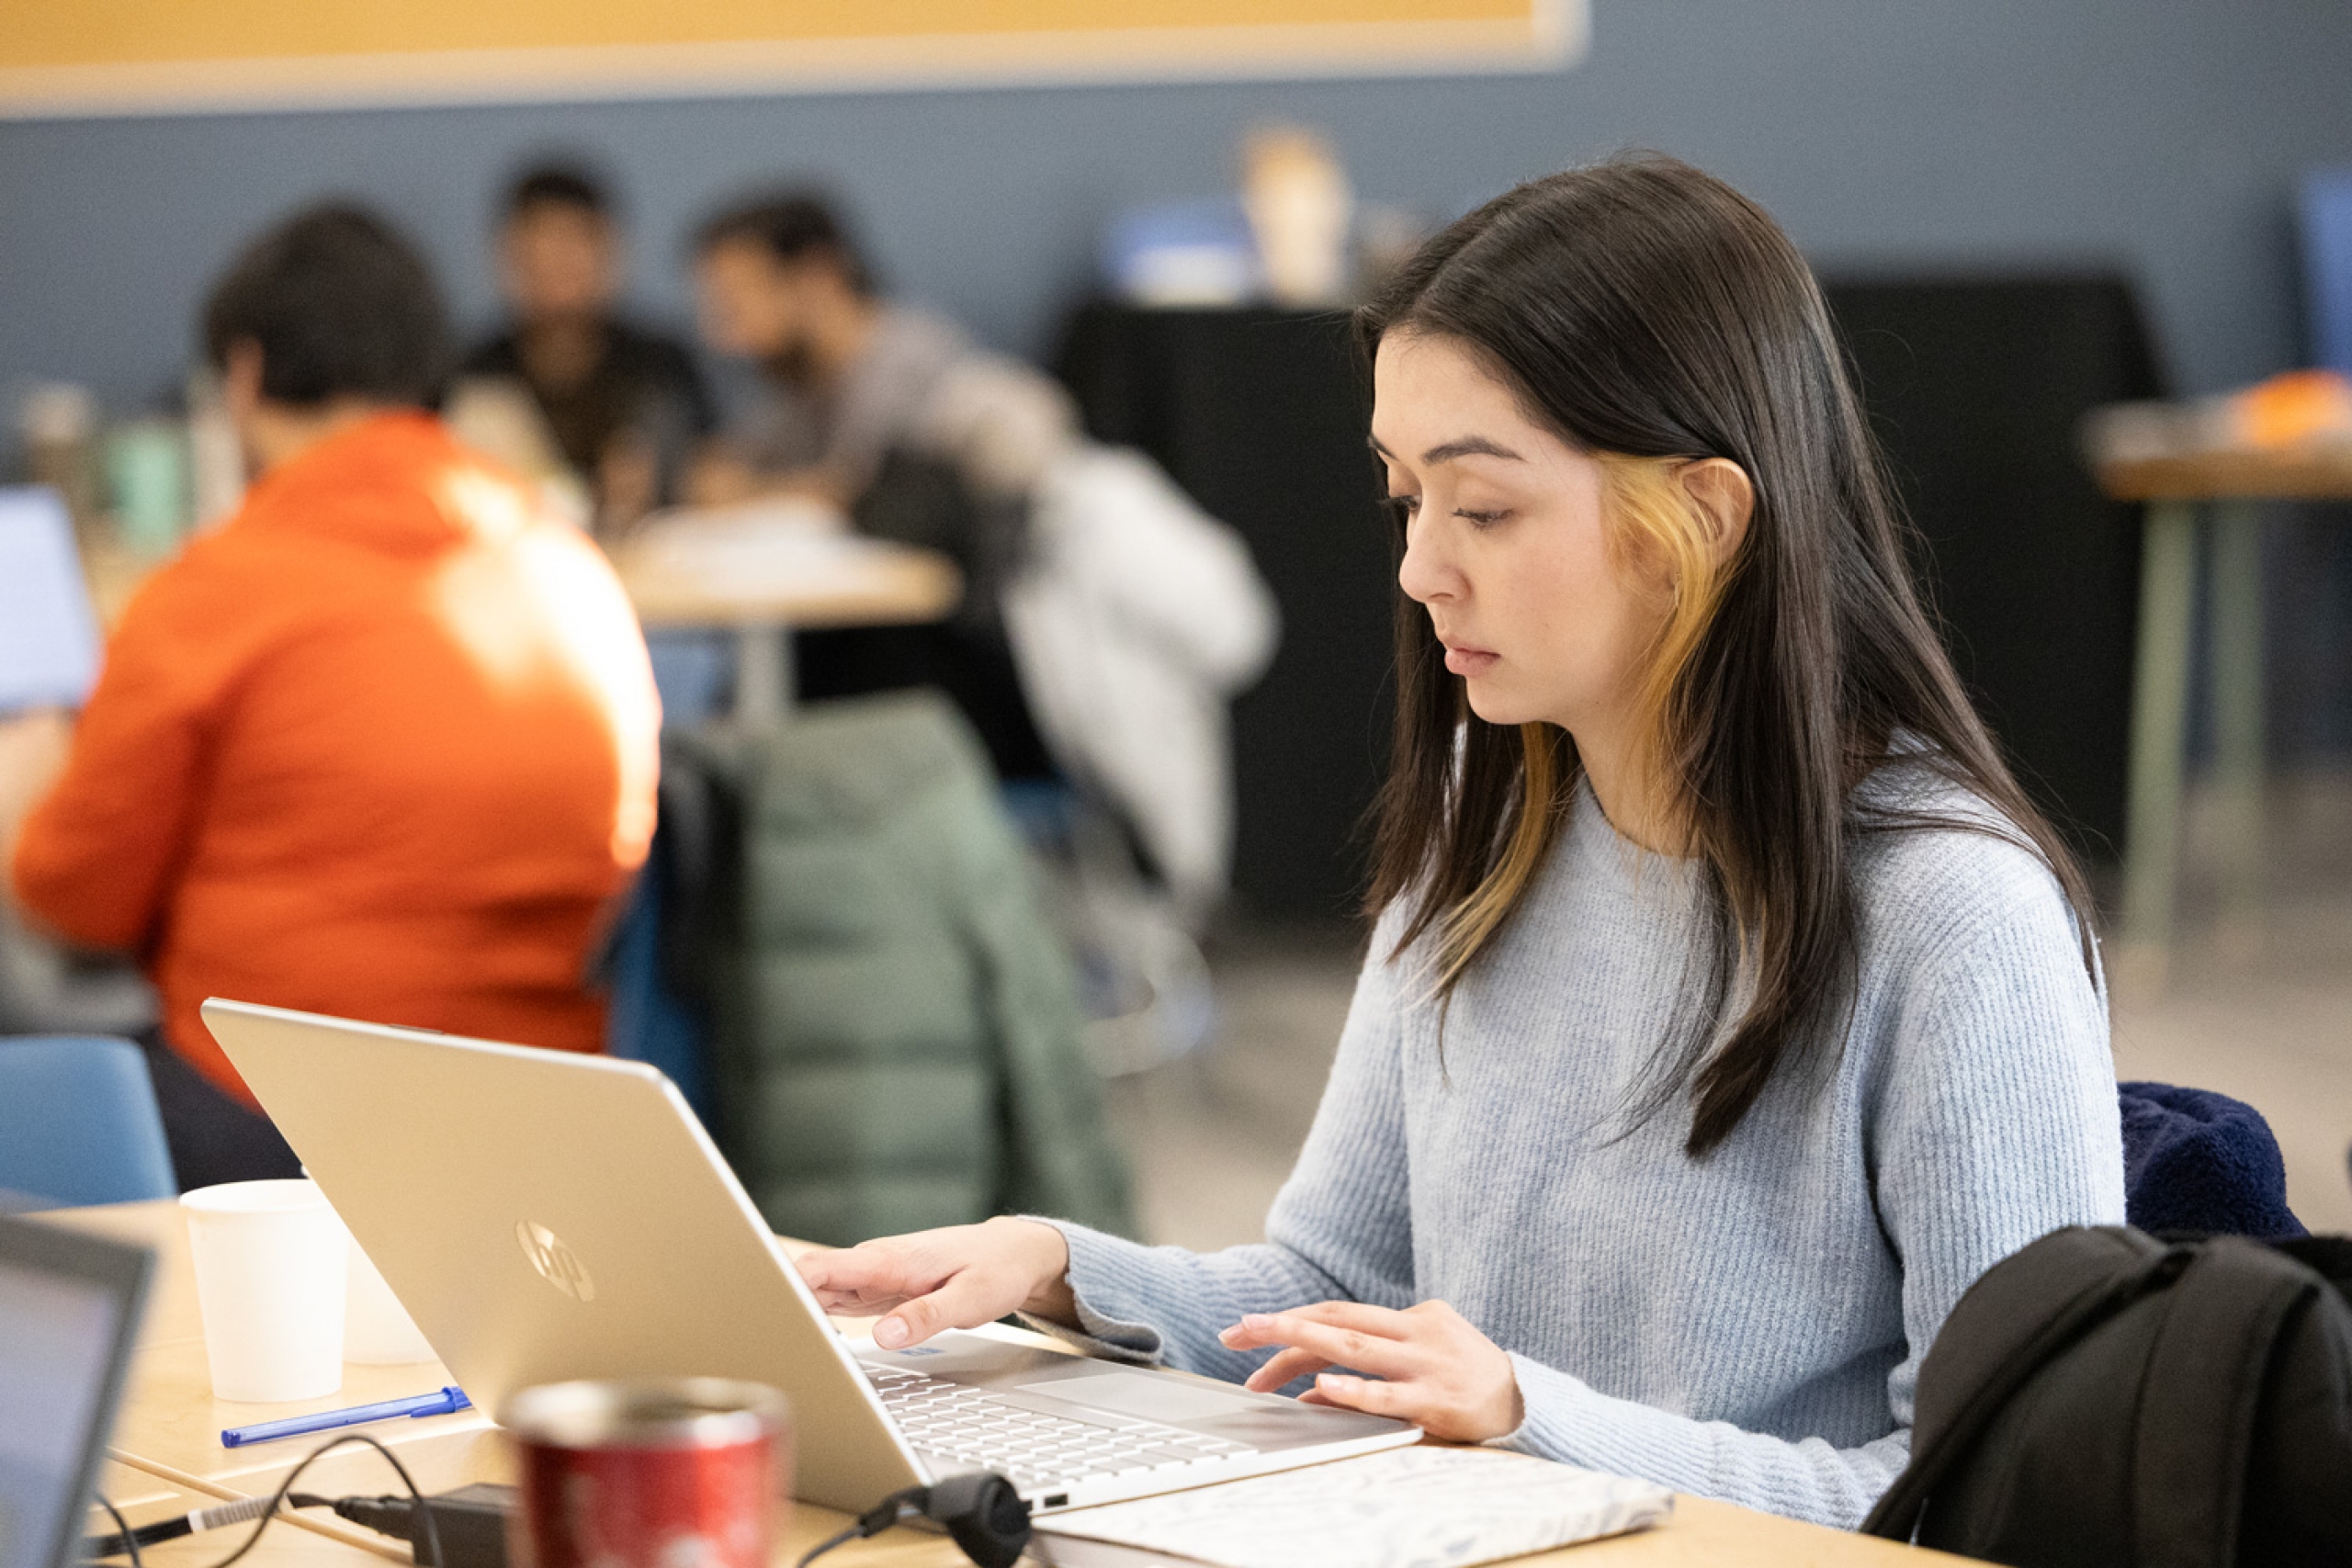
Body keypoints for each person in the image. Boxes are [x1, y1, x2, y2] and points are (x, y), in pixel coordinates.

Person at [789, 156, 2126, 1529]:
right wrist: (1058, 1268)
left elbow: (2005, 1492)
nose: (1423, 565)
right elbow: (1337, 1291)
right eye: (1405, 496)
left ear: (1705, 521)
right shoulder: (1487, 845)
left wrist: (1531, 1418)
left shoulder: (1957, 912)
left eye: (1480, 505)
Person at [7, 205, 662, 1190]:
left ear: (244, 375)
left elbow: (75, 905)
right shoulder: (566, 559)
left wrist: (22, 786)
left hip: (269, 1114)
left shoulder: (220, 586)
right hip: (545, 1112)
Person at [687, 192, 1089, 783]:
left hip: (958, 692)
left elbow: (858, 495)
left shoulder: (915, 366)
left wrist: (758, 493)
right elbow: (732, 469)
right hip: (869, 678)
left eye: (738, 305)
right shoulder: (801, 387)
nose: (727, 335)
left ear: (817, 278)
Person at [458, 164, 715, 534]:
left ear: (610, 250)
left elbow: (710, 470)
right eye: (541, 244)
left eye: (574, 243)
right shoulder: (474, 372)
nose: (558, 262)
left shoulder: (660, 364)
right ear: (508, 254)